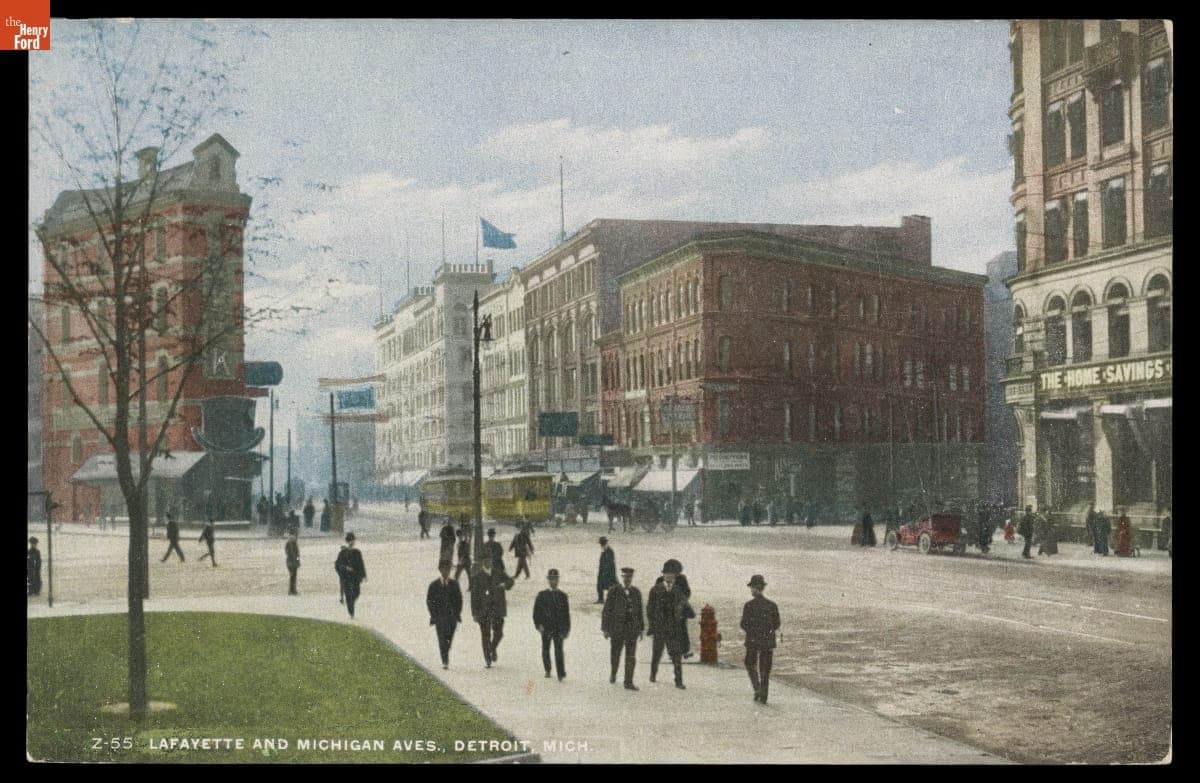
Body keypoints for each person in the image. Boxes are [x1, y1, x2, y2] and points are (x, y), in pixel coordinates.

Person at [646, 567, 690, 689]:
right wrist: (652, 625)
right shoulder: (655, 590)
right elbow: (650, 609)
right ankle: (653, 674)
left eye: (672, 575)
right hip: (659, 629)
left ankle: (678, 681)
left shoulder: (678, 590)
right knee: (657, 654)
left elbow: (685, 605)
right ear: (663, 576)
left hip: (673, 629)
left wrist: (684, 611)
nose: (670, 577)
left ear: (675, 577)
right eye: (667, 575)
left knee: (676, 655)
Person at [741, 574, 781, 704]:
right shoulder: (772, 605)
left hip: (753, 640)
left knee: (749, 663)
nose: (751, 590)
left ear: (755, 588)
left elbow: (743, 624)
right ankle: (763, 695)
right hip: (767, 641)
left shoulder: (749, 605)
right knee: (765, 669)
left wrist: (752, 632)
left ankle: (757, 688)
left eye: (752, 588)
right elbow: (777, 624)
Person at [602, 567, 644, 690]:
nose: (627, 579)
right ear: (622, 577)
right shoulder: (613, 591)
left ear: (632, 578)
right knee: (615, 654)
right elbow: (607, 610)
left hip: (632, 630)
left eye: (630, 577)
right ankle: (613, 673)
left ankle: (628, 682)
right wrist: (605, 628)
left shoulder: (636, 592)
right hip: (617, 629)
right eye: (625, 577)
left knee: (631, 657)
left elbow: (639, 612)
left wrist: (641, 628)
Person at [470, 558, 512, 667]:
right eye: (486, 560)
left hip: (497, 609)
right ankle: (487, 660)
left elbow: (510, 581)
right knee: (485, 635)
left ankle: (492, 648)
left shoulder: (498, 573)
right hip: (483, 611)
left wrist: (505, 585)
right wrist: (474, 613)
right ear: (482, 562)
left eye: (489, 560)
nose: (488, 563)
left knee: (499, 633)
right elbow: (474, 597)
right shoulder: (477, 577)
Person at [533, 568, 571, 680]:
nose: (554, 581)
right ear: (548, 580)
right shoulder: (542, 595)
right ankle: (548, 669)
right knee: (546, 649)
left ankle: (560, 672)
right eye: (551, 579)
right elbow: (536, 612)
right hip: (546, 627)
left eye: (555, 579)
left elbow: (566, 614)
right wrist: (538, 625)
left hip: (558, 627)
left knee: (559, 649)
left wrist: (566, 629)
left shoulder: (563, 596)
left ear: (558, 580)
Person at [426, 561, 463, 669]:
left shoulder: (454, 584)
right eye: (444, 569)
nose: (446, 571)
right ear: (440, 570)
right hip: (440, 617)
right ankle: (445, 660)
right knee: (442, 638)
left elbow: (459, 600)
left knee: (449, 638)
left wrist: (457, 614)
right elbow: (429, 601)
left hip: (452, 617)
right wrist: (434, 614)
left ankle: (446, 652)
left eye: (448, 569)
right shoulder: (433, 585)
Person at [335, 532, 367, 618]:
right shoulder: (343, 553)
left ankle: (351, 603)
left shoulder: (357, 552)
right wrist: (345, 568)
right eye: (351, 540)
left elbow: (361, 564)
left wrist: (364, 575)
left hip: (355, 576)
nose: (352, 542)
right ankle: (351, 611)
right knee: (348, 593)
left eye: (353, 540)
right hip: (346, 577)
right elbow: (338, 565)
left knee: (357, 592)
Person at [596, 536, 617, 604]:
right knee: (601, 585)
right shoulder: (605, 550)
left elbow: (609, 563)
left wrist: (605, 572)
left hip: (609, 572)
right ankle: (601, 599)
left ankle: (613, 599)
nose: (601, 545)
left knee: (611, 586)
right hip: (604, 571)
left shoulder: (608, 550)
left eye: (601, 544)